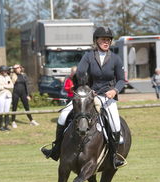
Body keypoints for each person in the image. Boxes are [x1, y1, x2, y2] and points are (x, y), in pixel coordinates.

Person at [41, 27, 126, 169]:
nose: (106, 42)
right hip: (89, 96)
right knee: (63, 115)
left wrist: (114, 90)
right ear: (96, 41)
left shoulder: (116, 59)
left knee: (115, 125)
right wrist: (84, 85)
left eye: (108, 40)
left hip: (107, 96)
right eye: (103, 39)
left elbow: (122, 80)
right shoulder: (88, 56)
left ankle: (114, 157)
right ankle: (56, 150)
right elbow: (80, 72)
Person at [0, 65, 13, 131]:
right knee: (1, 111)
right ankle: (1, 126)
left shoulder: (8, 77)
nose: (5, 72)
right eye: (4, 71)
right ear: (1, 71)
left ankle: (6, 125)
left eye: (6, 71)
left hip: (8, 95)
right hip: (1, 95)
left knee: (7, 111)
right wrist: (6, 86)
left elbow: (12, 86)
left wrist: (4, 85)